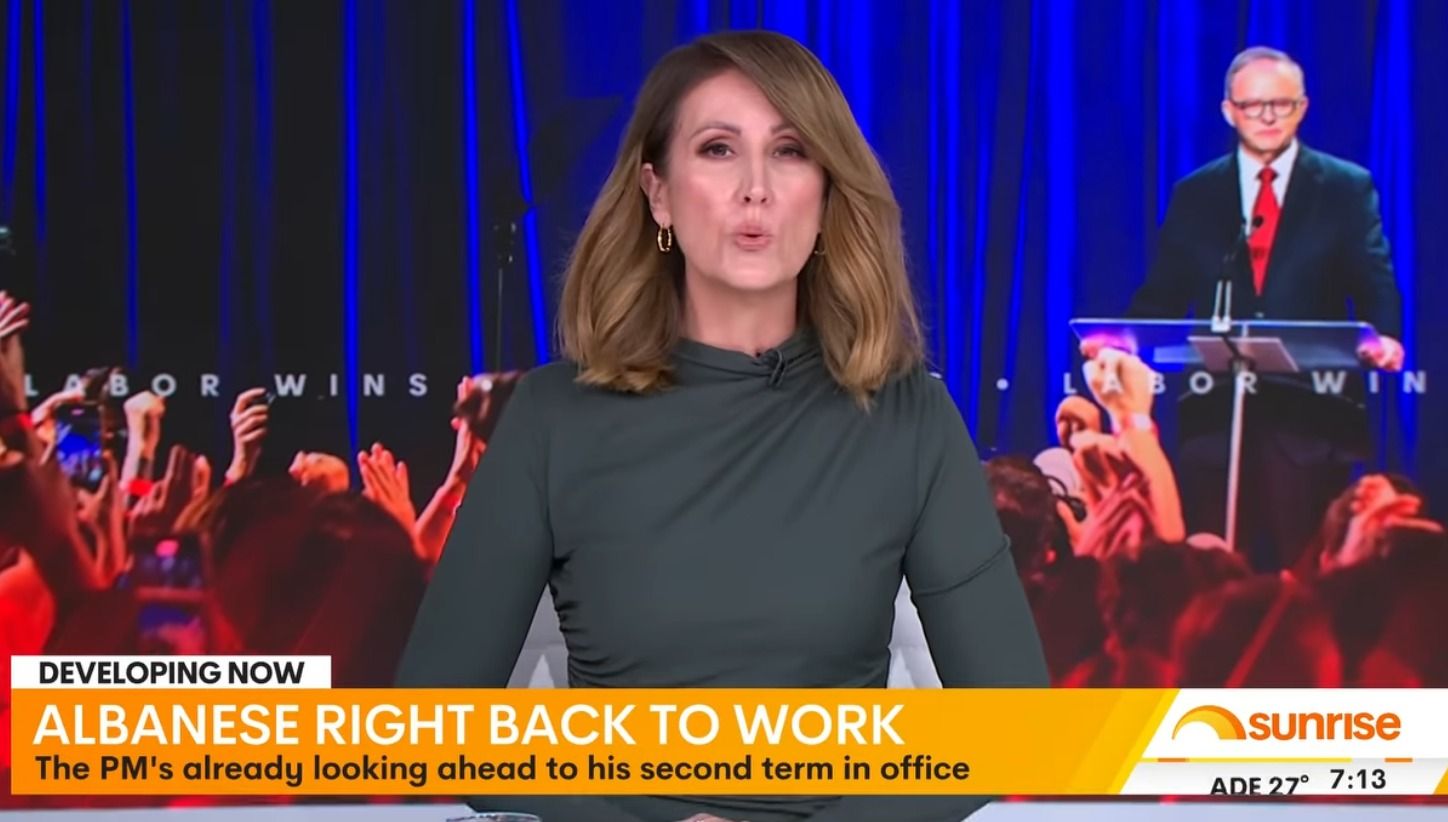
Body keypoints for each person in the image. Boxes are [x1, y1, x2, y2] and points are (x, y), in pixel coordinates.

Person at [395, 30, 1047, 822]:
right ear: (658, 194)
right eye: (717, 149)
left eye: (790, 151)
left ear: (827, 194)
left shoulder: (911, 417)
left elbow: (1012, 724)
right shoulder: (551, 417)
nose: (755, 189)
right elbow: (434, 723)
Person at [1117, 46, 1405, 571]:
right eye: (1253, 106)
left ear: (1303, 107)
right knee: (1212, 576)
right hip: (1216, 420)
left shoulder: (1345, 187)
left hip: (1308, 419)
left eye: (1281, 104)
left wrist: (1385, 336)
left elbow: (1374, 279)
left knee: (1305, 576)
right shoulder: (1196, 193)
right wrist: (1123, 342)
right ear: (1229, 111)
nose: (1267, 117)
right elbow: (1163, 291)